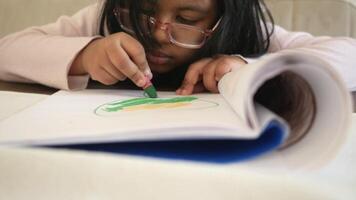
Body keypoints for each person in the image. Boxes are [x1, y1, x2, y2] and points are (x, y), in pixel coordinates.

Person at [0, 0, 356, 95]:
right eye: (145, 11)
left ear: (225, 17)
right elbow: (6, 51)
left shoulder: (252, 34)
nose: (157, 34)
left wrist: (248, 65)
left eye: (187, 18)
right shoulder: (106, 19)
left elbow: (350, 54)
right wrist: (84, 54)